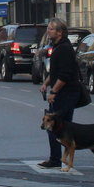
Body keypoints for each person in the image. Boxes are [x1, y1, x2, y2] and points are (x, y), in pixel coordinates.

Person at [38, 17, 82, 169]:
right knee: (64, 127)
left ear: (60, 32)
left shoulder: (64, 49)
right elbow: (56, 72)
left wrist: (54, 92)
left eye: (51, 29)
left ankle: (56, 159)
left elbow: (64, 75)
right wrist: (46, 83)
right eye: (48, 28)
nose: (48, 31)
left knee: (53, 126)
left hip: (66, 94)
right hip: (66, 93)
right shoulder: (59, 46)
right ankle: (63, 158)